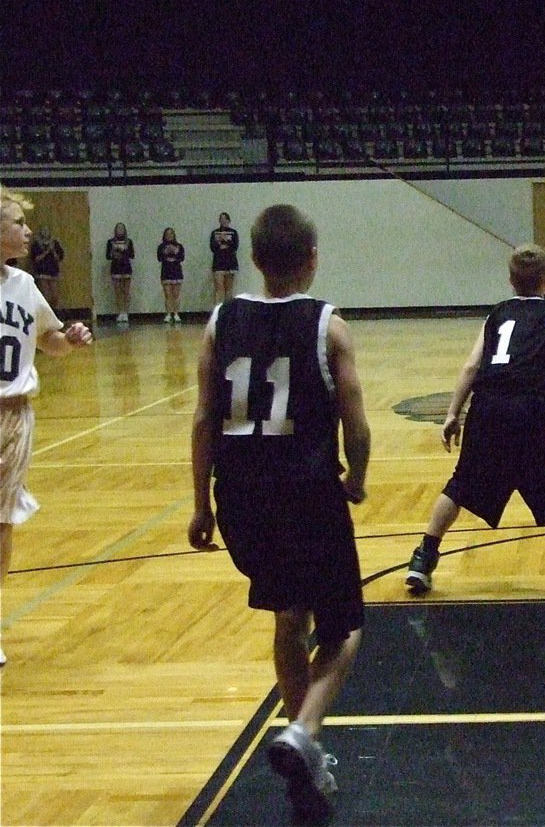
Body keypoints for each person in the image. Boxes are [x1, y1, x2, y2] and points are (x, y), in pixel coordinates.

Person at [187, 204, 371, 822]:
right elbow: (355, 420)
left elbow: (203, 418)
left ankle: (306, 754)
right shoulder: (328, 325)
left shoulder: (221, 319)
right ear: (312, 257)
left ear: (254, 259)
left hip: (240, 496)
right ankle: (303, 732)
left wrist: (199, 504)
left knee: (289, 616)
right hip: (305, 491)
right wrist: (359, 476)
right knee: (343, 630)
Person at [407, 243, 545, 598]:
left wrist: (454, 413)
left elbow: (471, 366)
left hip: (486, 410)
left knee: (459, 486)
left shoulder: (496, 314)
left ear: (510, 281)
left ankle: (423, 559)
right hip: (531, 413)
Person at [1, 188, 93, 667]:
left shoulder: (23, 284)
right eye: (18, 222)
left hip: (14, 414)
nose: (28, 230)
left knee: (2, 523)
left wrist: (70, 339)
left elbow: (48, 342)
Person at [29, 225, 65, 310]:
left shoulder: (54, 243)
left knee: (55, 296)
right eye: (43, 231)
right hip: (42, 271)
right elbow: (36, 259)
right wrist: (47, 251)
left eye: (47, 231)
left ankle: (54, 311)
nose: (45, 233)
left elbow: (59, 258)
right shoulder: (37, 244)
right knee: (45, 295)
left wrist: (52, 250)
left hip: (53, 271)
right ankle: (45, 312)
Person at [106, 222, 134, 324]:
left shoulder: (129, 241)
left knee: (126, 292)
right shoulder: (111, 242)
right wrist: (114, 253)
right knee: (117, 292)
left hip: (126, 267)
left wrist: (124, 251)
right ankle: (120, 312)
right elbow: (108, 256)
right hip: (116, 268)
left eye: (122, 228)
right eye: (118, 228)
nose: (120, 230)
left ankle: (126, 312)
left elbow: (132, 255)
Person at [157, 228, 186, 323]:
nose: (169, 236)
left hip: (176, 271)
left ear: (174, 235)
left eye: (171, 234)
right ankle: (168, 314)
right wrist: (166, 252)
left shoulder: (179, 246)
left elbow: (181, 258)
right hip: (166, 271)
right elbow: (159, 258)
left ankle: (176, 313)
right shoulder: (161, 246)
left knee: (176, 294)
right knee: (168, 294)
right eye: (167, 234)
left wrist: (174, 252)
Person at [210, 211, 239, 303]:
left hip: (230, 261)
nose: (223, 221)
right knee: (219, 287)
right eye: (221, 219)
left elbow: (235, 246)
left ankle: (228, 311)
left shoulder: (233, 232)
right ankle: (218, 310)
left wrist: (227, 243)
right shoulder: (215, 233)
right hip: (218, 262)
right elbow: (212, 247)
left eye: (225, 219)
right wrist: (219, 244)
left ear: (228, 220)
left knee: (229, 288)